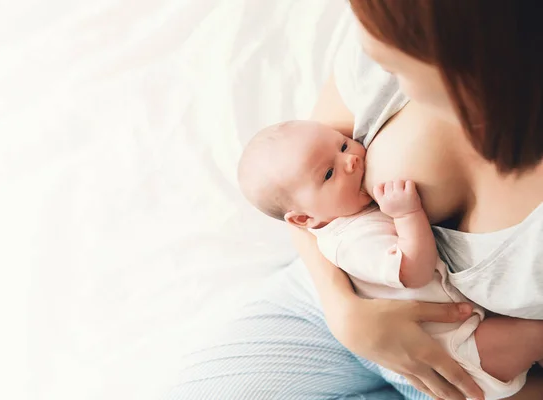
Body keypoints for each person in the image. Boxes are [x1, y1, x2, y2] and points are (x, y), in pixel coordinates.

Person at [168, 1, 543, 399]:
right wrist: (345, 313)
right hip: (330, 293)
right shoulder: (387, 31)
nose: (366, 48)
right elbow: (295, 192)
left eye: (394, 62)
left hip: (471, 367)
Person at [238, 119, 543, 399]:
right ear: (305, 217)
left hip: (457, 336)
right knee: (535, 335)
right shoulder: (352, 241)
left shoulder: (348, 214)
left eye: (343, 144)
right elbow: (414, 272)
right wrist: (407, 215)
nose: (351, 159)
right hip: (460, 353)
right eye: (329, 174)